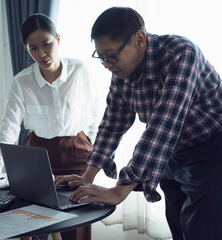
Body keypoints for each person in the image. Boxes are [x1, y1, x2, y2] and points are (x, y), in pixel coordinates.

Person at [55, 7, 222, 240]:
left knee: (202, 233)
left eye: (111, 55)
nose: (106, 64)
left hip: (211, 151)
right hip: (171, 156)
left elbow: (163, 125)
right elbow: (112, 123)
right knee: (179, 232)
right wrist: (88, 175)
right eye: (100, 56)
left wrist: (118, 191)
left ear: (139, 39)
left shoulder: (181, 54)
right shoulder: (121, 71)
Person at [0, 13, 103, 240]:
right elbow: (8, 128)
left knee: (77, 222)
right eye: (33, 48)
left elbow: (97, 114)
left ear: (58, 39)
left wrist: (90, 143)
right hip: (37, 156)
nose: (42, 53)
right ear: (27, 50)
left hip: (78, 152)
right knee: (36, 225)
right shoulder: (21, 81)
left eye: (47, 44)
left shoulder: (80, 70)